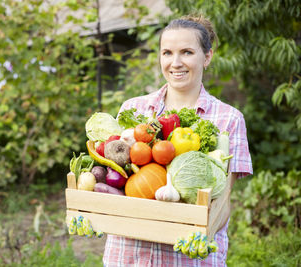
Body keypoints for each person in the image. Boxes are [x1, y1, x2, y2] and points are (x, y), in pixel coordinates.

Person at [102, 14, 253, 267]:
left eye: (186, 52)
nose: (175, 62)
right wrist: (94, 213)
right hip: (129, 255)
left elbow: (223, 199)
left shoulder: (229, 119)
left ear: (207, 57)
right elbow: (115, 182)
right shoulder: (134, 109)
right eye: (167, 53)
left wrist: (203, 236)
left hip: (189, 258)